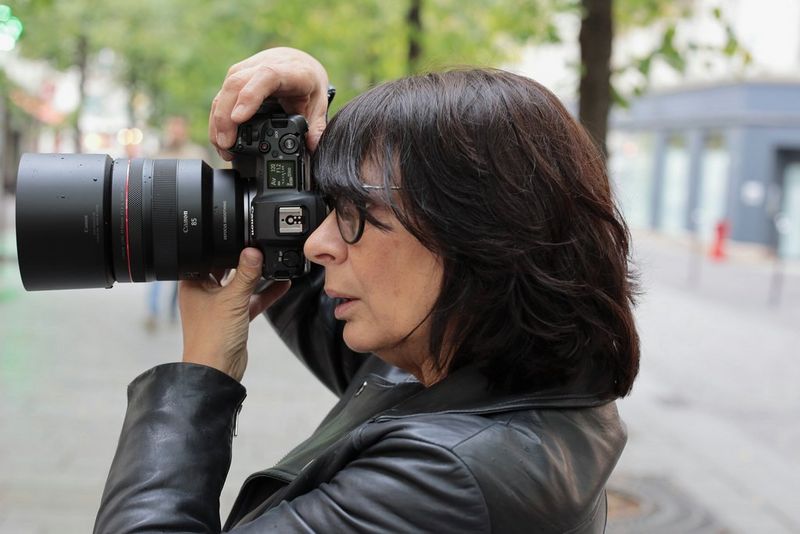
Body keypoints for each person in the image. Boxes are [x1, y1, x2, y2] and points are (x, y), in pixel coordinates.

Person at [94, 47, 639, 533]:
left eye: (356, 213)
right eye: (331, 208)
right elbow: (300, 263)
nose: (317, 244)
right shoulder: (478, 373)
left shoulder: (445, 483)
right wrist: (285, 131)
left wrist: (201, 374)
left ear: (476, 233)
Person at [144, 116, 209, 332]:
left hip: (188, 225)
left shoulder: (195, 153)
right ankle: (153, 312)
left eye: (179, 128)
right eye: (172, 128)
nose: (176, 132)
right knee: (154, 274)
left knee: (181, 275)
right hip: (159, 225)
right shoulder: (158, 155)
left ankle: (176, 310)